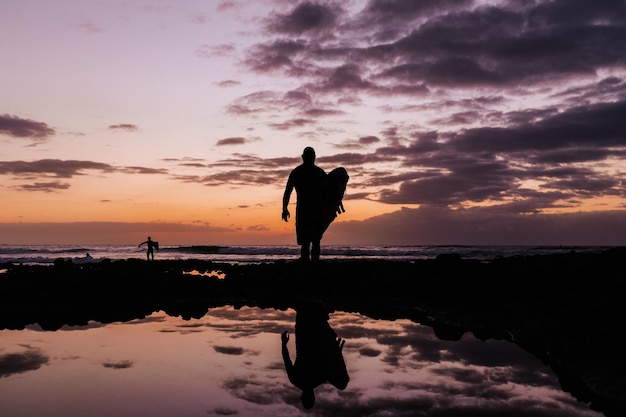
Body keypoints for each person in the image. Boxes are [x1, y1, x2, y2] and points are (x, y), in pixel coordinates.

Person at [281, 302, 349, 409]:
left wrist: (284, 344)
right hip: (307, 336)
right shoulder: (302, 380)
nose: (311, 395)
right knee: (309, 312)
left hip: (308, 337)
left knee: (309, 311)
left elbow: (286, 359)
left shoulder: (315, 379)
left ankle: (316, 306)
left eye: (310, 397)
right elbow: (286, 359)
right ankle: (316, 306)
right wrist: (336, 352)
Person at [282, 147, 327, 262]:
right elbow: (288, 191)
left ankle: (308, 265)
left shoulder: (298, 172)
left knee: (310, 241)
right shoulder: (319, 173)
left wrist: (285, 208)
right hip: (312, 210)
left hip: (307, 211)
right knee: (311, 241)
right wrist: (284, 208)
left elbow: (287, 191)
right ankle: (310, 266)